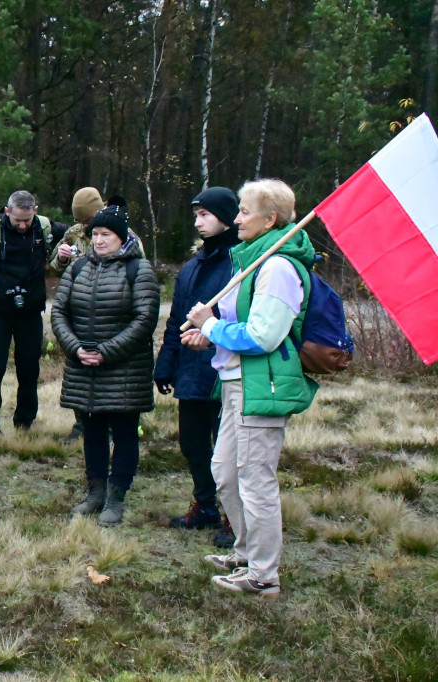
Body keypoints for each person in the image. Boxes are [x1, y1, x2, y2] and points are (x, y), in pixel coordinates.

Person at [184, 178, 317, 598]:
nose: (236, 218)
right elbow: (241, 326)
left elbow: (263, 336)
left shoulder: (277, 267)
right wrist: (213, 335)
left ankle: (263, 575)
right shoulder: (256, 259)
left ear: (270, 218)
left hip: (262, 387)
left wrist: (212, 325)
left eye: (243, 211)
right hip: (236, 383)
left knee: (255, 480)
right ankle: (245, 551)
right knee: (224, 473)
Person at [50, 199, 159, 525]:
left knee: (124, 434)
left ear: (121, 237)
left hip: (124, 370)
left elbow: (144, 320)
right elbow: (59, 312)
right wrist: (75, 348)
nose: (98, 240)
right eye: (95, 234)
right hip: (83, 368)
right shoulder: (78, 267)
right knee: (92, 432)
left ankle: (117, 497)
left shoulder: (138, 269)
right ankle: (95, 493)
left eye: (106, 234)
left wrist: (105, 351)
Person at [154, 187, 240, 547]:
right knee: (193, 442)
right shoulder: (191, 267)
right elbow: (177, 319)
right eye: (196, 214)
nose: (198, 221)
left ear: (226, 216)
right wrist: (166, 361)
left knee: (228, 448)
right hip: (191, 369)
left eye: (205, 214)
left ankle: (233, 516)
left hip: (226, 369)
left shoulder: (240, 263)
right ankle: (204, 505)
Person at [0, 190, 66, 433]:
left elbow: (78, 235)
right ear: (7, 211)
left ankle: (25, 422)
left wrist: (64, 253)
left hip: (30, 312)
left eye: (27, 220)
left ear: (35, 211)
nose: (22, 224)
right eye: (17, 219)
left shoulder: (45, 227)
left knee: (29, 369)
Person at [49, 187, 105, 444]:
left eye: (88, 220)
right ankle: (81, 425)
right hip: (78, 312)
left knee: (106, 372)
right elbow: (54, 266)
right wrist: (60, 259)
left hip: (107, 313)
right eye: (81, 221)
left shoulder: (121, 232)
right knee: (78, 373)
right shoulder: (72, 234)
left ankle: (110, 425)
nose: (84, 225)